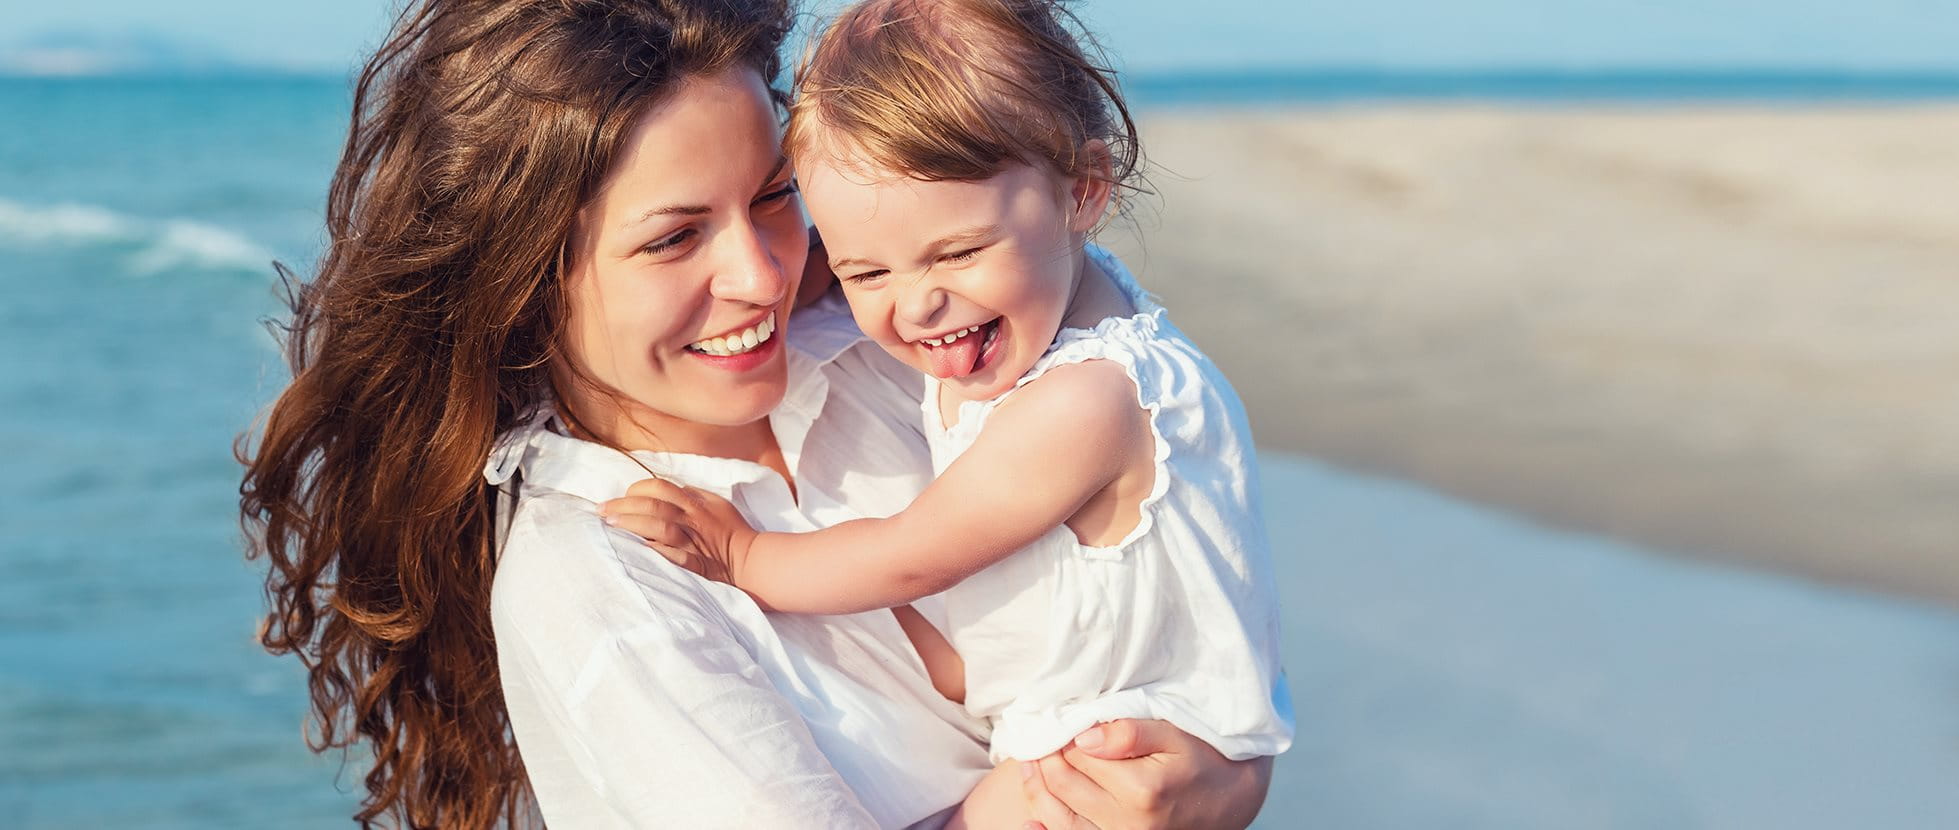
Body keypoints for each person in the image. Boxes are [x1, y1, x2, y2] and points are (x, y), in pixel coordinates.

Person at [237, 0, 1273, 827]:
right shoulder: (599, 579)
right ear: (523, 280)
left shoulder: (895, 346)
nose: (765, 275)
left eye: (775, 197)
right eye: (674, 238)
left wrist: (1223, 785)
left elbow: (1174, 594)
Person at [598, 0, 1290, 823]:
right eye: (866, 274)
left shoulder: (1082, 403)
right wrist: (821, 276)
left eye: (957, 254)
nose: (918, 304)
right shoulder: (1050, 281)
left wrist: (739, 552)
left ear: (1084, 190)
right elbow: (869, 242)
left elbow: (909, 558)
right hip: (1069, 682)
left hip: (1105, 748)